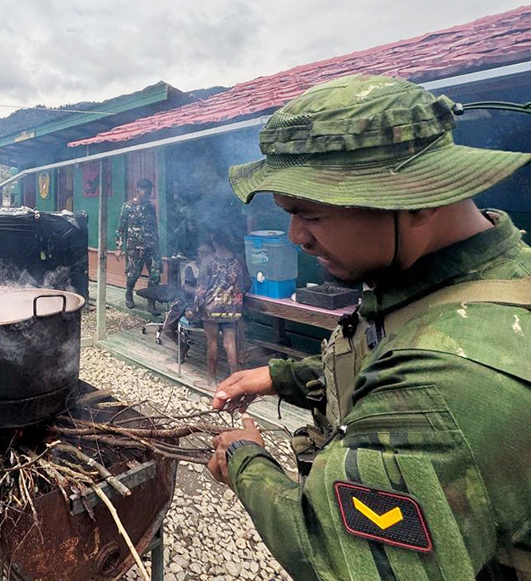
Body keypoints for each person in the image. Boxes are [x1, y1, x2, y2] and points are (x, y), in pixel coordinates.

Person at [205, 74, 531, 580]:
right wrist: (285, 377)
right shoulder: (463, 277)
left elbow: (331, 552)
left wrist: (246, 459)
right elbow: (390, 346)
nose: (296, 236)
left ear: (417, 199)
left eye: (309, 213)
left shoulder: (445, 386)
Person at [192, 231, 248, 383]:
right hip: (232, 309)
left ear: (214, 241)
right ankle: (235, 380)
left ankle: (211, 380)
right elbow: (246, 283)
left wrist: (196, 308)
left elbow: (201, 288)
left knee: (212, 342)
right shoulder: (239, 260)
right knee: (230, 343)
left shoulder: (208, 261)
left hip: (212, 309)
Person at [116, 178, 162, 314]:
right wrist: (119, 247)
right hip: (135, 248)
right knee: (133, 275)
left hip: (152, 247)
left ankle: (151, 303)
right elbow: (120, 228)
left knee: (155, 275)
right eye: (144, 190)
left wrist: (158, 251)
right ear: (137, 190)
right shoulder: (128, 206)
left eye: (149, 191)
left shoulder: (150, 207)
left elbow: (154, 228)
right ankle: (129, 294)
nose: (147, 193)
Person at [161, 241, 213, 343]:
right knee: (167, 328)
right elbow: (187, 287)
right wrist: (199, 293)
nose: (204, 255)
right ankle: (183, 345)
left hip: (208, 302)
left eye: (207, 253)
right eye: (201, 252)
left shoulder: (217, 268)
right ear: (197, 253)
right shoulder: (191, 267)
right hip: (187, 299)